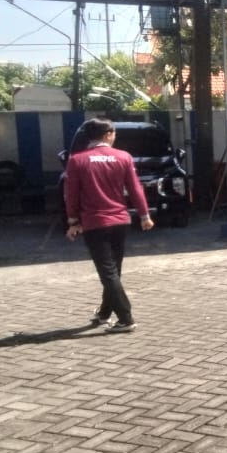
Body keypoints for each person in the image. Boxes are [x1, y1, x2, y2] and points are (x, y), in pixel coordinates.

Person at [64, 117, 154, 333]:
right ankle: (105, 313)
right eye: (114, 133)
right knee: (113, 270)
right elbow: (135, 189)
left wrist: (73, 221)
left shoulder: (77, 160)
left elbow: (71, 194)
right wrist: (144, 215)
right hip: (120, 221)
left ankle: (126, 318)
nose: (115, 137)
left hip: (95, 223)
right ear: (107, 134)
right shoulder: (123, 157)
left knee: (108, 272)